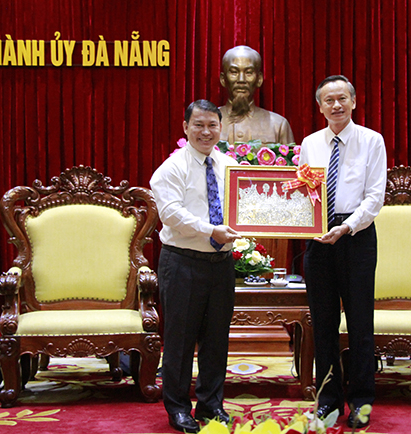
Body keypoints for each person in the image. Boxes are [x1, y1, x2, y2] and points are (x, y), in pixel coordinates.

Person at [299, 75, 387, 429]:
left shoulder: (371, 141)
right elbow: (306, 191)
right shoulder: (309, 143)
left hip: (356, 237)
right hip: (318, 239)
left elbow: (374, 196)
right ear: (319, 107)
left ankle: (362, 401)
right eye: (328, 100)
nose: (336, 105)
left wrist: (347, 226)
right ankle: (329, 399)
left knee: (361, 324)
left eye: (342, 99)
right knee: (323, 325)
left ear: (353, 101)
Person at [150, 99, 241, 433]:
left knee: (217, 338)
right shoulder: (171, 169)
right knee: (180, 340)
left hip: (220, 264)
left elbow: (243, 203)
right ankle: (177, 408)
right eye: (199, 125)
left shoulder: (229, 165)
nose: (206, 131)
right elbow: (171, 214)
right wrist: (210, 231)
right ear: (185, 127)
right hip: (183, 262)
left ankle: (211, 403)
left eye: (212, 125)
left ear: (221, 127)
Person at [219, 45, 295, 145]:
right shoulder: (206, 122)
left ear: (259, 79)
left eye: (249, 73)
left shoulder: (278, 125)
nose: (241, 80)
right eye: (234, 72)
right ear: (223, 79)